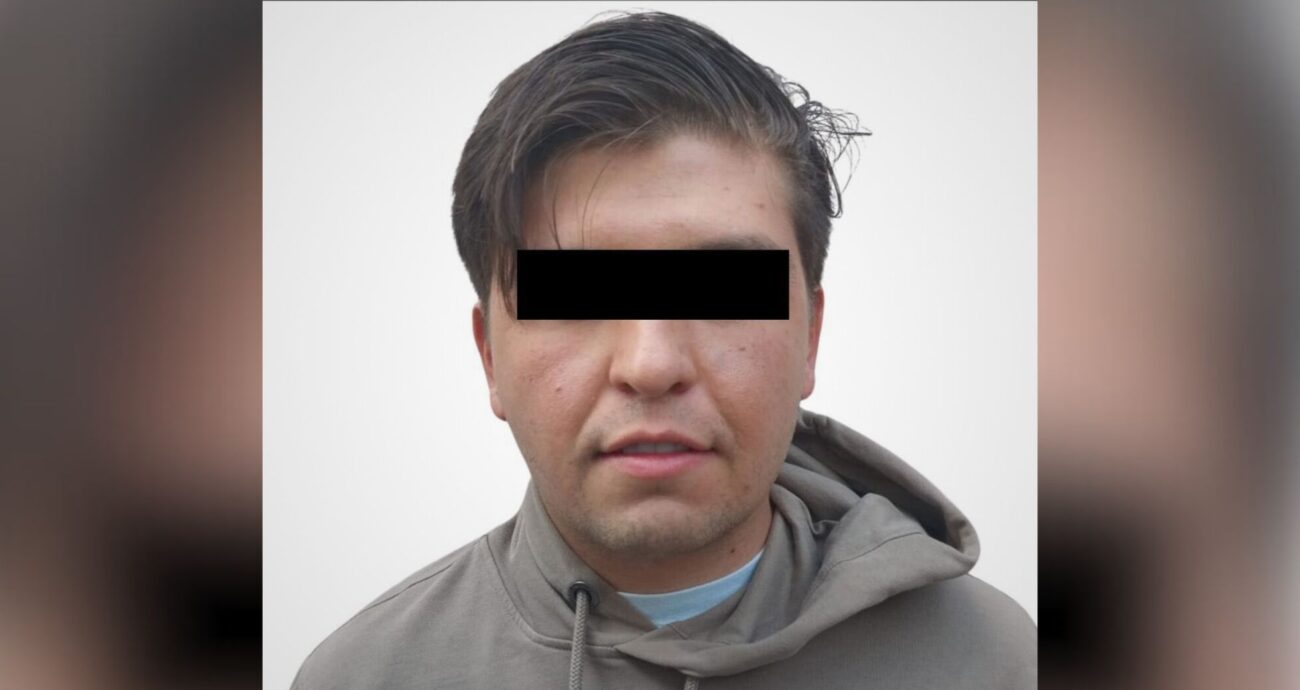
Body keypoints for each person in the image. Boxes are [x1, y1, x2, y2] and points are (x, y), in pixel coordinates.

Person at [293, 10, 1035, 689]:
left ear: (810, 337)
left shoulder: (996, 662)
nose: (651, 365)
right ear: (490, 358)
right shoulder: (364, 678)